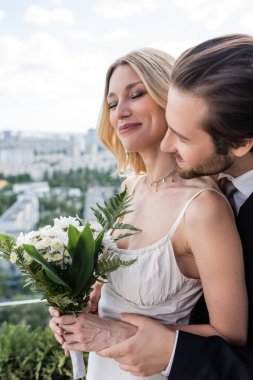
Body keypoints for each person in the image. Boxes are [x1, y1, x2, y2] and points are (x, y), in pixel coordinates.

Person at [49, 47, 248, 380]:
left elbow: (231, 334)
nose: (120, 111)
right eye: (112, 104)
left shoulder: (203, 208)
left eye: (136, 95)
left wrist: (115, 332)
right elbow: (114, 293)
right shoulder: (130, 188)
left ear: (169, 99)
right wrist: (81, 307)